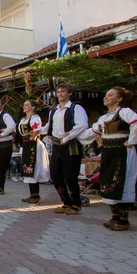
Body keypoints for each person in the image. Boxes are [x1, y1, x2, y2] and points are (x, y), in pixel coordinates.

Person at [80, 87, 137, 231]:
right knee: (108, 183)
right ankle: (115, 217)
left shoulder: (124, 112)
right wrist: (72, 135)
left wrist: (131, 140)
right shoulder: (103, 118)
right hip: (109, 153)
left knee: (121, 183)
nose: (106, 97)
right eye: (105, 95)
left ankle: (123, 220)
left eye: (110, 95)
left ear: (120, 99)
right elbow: (91, 133)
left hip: (122, 152)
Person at [41, 83, 88, 215]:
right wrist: (38, 130)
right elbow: (48, 126)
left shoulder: (76, 108)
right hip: (57, 145)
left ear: (69, 93)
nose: (60, 94)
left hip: (71, 145)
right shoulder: (54, 110)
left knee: (70, 176)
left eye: (63, 91)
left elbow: (82, 125)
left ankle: (76, 204)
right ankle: (66, 202)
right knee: (55, 175)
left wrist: (67, 137)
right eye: (59, 91)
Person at [18, 100, 50, 204]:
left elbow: (37, 128)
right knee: (28, 168)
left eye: (27, 105)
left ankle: (35, 195)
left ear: (33, 107)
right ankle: (33, 194)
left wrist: (34, 135)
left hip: (33, 145)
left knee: (33, 167)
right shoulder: (23, 119)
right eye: (24, 104)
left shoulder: (35, 117)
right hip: (27, 144)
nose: (24, 106)